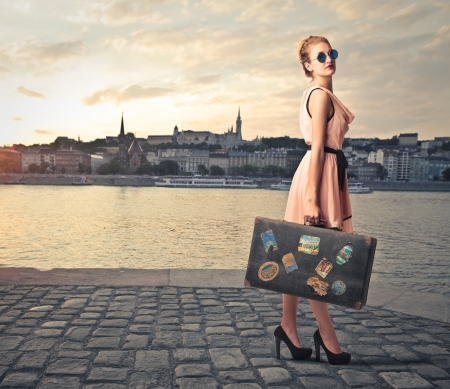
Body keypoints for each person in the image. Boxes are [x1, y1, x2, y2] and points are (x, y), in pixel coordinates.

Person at [273, 35, 353, 365]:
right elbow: (319, 148)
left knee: (298, 256)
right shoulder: (320, 96)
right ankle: (327, 335)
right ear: (308, 65)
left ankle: (287, 327)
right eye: (319, 57)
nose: (328, 60)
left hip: (321, 174)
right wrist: (312, 200)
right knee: (315, 260)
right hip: (317, 178)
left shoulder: (320, 94)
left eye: (331, 53)